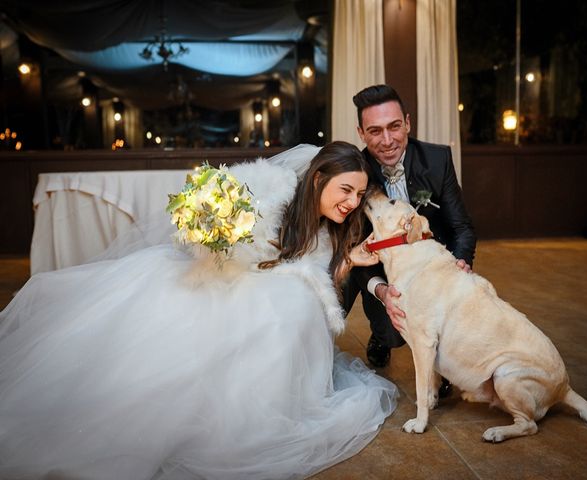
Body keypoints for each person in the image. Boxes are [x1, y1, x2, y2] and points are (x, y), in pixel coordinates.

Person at [0, 141, 397, 480]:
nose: (352, 203)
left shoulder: (334, 228)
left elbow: (314, 277)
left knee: (291, 303)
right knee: (242, 321)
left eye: (359, 196)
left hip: (270, 287)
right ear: (317, 178)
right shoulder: (276, 194)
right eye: (346, 190)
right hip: (227, 279)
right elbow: (254, 256)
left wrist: (350, 261)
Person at [343, 84, 477, 375]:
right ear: (361, 133)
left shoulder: (438, 160)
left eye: (394, 126)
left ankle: (444, 363)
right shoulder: (356, 171)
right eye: (375, 131)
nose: (388, 140)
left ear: (408, 123)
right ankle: (380, 338)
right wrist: (381, 290)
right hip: (381, 267)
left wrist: (460, 264)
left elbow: (462, 227)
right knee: (392, 334)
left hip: (431, 268)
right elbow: (352, 245)